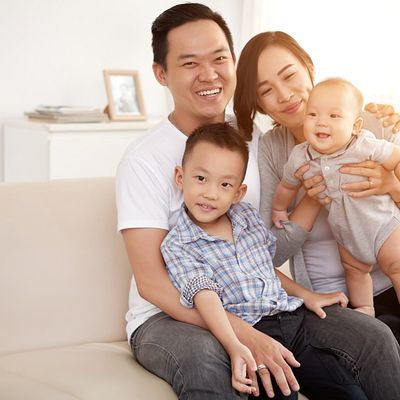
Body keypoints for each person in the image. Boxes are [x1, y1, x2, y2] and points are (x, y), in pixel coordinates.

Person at [117, 5, 400, 399]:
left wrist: (370, 126)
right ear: (161, 73)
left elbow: (257, 253)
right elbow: (152, 283)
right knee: (205, 361)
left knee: (372, 337)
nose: (209, 74)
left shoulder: (256, 139)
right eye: (190, 63)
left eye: (219, 58)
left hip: (261, 304)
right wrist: (244, 334)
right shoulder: (143, 159)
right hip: (169, 315)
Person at [161, 121, 371, 399]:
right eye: (201, 178)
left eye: (225, 184)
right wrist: (235, 345)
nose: (211, 193)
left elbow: (265, 269)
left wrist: (308, 295)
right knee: (281, 393)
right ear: (180, 177)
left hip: (291, 321)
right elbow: (206, 298)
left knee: (350, 392)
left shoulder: (246, 217)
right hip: (248, 331)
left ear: (238, 193)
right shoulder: (179, 244)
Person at [234, 31, 400, 344]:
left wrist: (391, 186)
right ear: (259, 104)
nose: (284, 95)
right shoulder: (274, 150)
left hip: (392, 278)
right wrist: (311, 200)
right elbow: (269, 253)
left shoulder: (368, 122)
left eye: (289, 75)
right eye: (266, 90)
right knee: (378, 341)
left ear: (309, 67)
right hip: (332, 304)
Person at [271, 78, 400, 316]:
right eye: (313, 114)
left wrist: (395, 183)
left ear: (355, 125)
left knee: (397, 265)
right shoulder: (301, 155)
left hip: (383, 225)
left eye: (334, 116)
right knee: (354, 270)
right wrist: (279, 209)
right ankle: (365, 307)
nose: (321, 122)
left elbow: (396, 157)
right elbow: (287, 185)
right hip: (347, 234)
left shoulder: (364, 144)